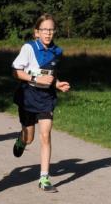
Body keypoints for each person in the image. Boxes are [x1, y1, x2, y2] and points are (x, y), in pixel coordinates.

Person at [11, 14, 71, 193]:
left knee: (45, 135)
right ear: (37, 32)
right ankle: (21, 141)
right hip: (28, 96)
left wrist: (57, 84)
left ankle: (44, 178)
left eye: (51, 30)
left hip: (46, 98)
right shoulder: (29, 48)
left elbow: (51, 74)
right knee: (29, 137)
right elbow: (16, 72)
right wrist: (36, 78)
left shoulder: (57, 51)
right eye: (44, 30)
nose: (48, 33)